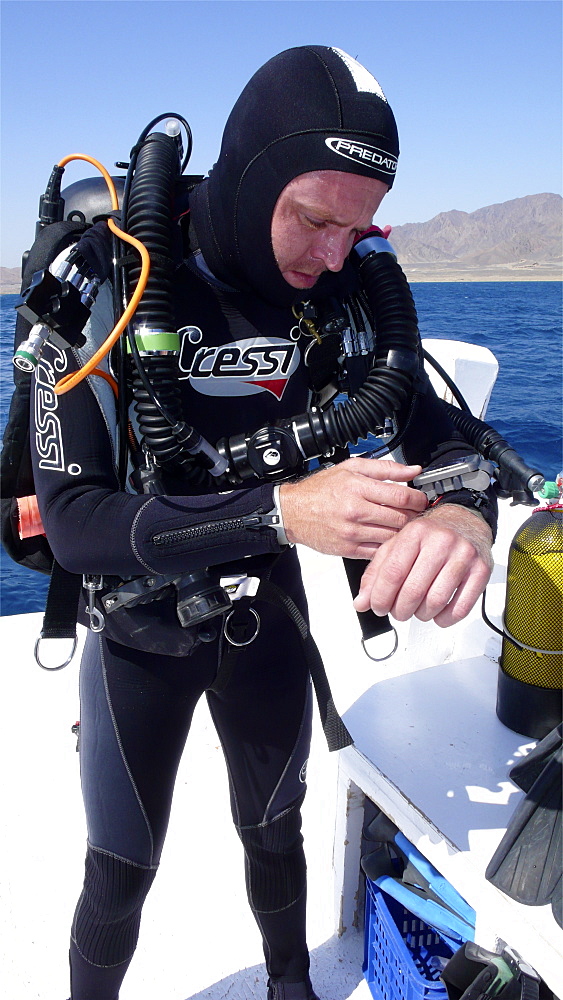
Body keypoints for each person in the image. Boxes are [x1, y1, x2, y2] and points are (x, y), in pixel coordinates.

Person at [30, 46, 496, 1000]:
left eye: (359, 228)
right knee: (118, 875)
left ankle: (292, 988)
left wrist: (462, 514)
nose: (334, 254)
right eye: (315, 218)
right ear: (250, 178)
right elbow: (74, 525)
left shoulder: (346, 286)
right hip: (138, 629)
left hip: (263, 617)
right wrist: (283, 508)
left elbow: (455, 437)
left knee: (274, 832)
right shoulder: (109, 279)